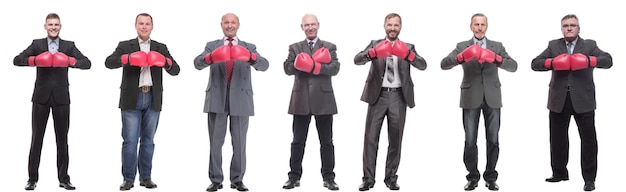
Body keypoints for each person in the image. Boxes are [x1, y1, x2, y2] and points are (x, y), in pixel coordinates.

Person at [531, 14, 612, 191]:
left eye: (573, 25)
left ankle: (589, 179)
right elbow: (534, 63)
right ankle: (559, 173)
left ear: (578, 28)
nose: (569, 28)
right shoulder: (553, 45)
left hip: (584, 100)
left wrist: (590, 60)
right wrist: (551, 62)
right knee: (557, 139)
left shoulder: (589, 45)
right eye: (566, 25)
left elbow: (608, 60)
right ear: (561, 29)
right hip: (558, 100)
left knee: (588, 140)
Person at [13, 13, 91, 191]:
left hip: (62, 98)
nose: (53, 27)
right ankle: (32, 179)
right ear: (45, 26)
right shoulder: (37, 44)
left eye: (56, 24)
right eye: (50, 25)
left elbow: (87, 63)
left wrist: (70, 61)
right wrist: (34, 60)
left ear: (60, 26)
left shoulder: (68, 46)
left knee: (62, 140)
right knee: (36, 139)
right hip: (40, 98)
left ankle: (64, 179)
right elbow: (17, 60)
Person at [440, 13, 517, 191]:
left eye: (482, 24)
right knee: (470, 140)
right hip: (470, 97)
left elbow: (513, 66)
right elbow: (444, 64)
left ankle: (490, 177)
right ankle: (472, 177)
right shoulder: (462, 46)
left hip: (493, 97)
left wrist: (497, 59)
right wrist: (461, 57)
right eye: (476, 24)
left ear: (487, 26)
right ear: (471, 27)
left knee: (493, 139)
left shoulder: (497, 46)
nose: (479, 27)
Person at [104, 13, 180, 191]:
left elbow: (176, 70)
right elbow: (108, 62)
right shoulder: (125, 46)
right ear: (135, 26)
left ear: (152, 26)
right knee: (130, 140)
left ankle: (146, 177)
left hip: (153, 97)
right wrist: (128, 59)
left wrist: (165, 62)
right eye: (141, 23)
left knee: (148, 140)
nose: (144, 27)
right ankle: (128, 179)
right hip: (132, 97)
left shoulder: (160, 47)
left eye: (147, 24)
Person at [193, 13, 269, 192]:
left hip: (241, 99)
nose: (229, 25)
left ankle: (237, 180)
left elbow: (265, 65)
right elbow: (197, 64)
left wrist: (250, 57)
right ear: (221, 25)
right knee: (215, 142)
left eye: (232, 22)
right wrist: (210, 57)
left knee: (240, 142)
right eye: (226, 22)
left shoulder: (248, 46)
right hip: (217, 98)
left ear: (238, 25)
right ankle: (216, 180)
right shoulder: (212, 45)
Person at [353, 13, 426, 191]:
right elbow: (357, 60)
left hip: (399, 97)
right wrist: (372, 53)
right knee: (370, 139)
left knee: (395, 139)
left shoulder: (408, 46)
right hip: (377, 96)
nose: (392, 28)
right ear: (384, 26)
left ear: (400, 27)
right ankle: (368, 179)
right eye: (389, 25)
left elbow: (423, 65)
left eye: (396, 25)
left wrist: (408, 55)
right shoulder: (375, 44)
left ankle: (391, 178)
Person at [281, 13, 340, 191]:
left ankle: (329, 178)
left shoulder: (329, 46)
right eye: (307, 25)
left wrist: (314, 66)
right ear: (302, 27)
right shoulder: (295, 47)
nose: (310, 27)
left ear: (318, 25)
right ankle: (294, 177)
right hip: (301, 100)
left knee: (327, 141)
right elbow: (287, 68)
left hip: (324, 100)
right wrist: (299, 63)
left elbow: (335, 68)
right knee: (297, 141)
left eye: (313, 24)